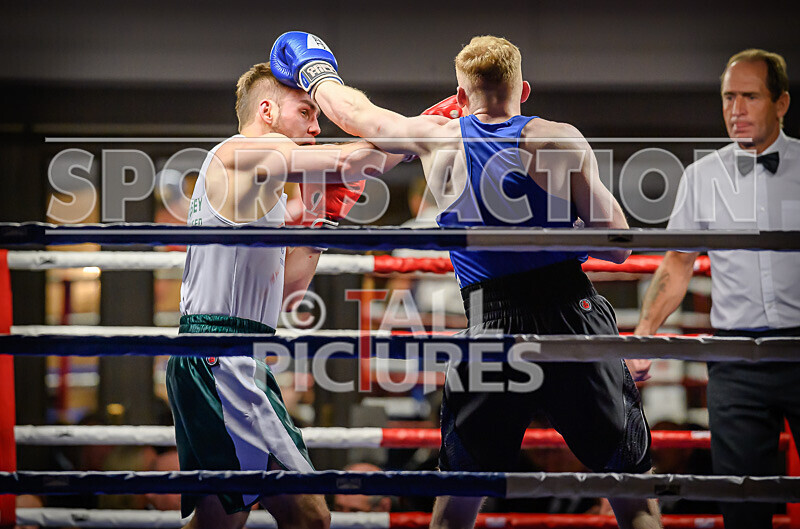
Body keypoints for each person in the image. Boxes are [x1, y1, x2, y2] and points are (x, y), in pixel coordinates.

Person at [270, 32, 661, 529]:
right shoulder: (558, 138)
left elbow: (359, 119)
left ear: (458, 97)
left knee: (456, 504)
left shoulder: (437, 139)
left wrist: (315, 72)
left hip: (490, 325)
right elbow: (621, 246)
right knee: (632, 495)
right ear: (524, 91)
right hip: (571, 316)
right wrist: (559, 236)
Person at [166, 61, 405, 529]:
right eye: (307, 111)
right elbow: (348, 161)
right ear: (268, 110)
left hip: (228, 354)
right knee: (309, 514)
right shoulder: (246, 151)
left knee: (219, 522)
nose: (316, 126)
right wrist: (422, 134)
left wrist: (323, 220)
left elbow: (288, 291)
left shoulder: (263, 189)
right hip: (221, 360)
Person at [633, 48, 799, 529]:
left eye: (750, 96)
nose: (736, 109)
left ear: (781, 103)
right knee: (742, 505)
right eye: (729, 97)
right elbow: (678, 264)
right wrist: (645, 331)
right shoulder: (702, 177)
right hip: (736, 360)